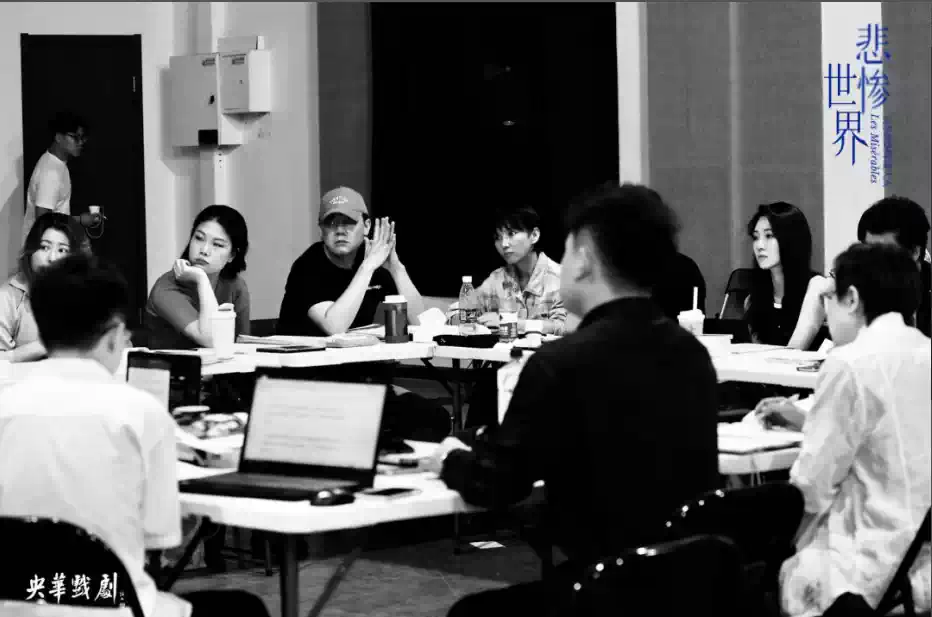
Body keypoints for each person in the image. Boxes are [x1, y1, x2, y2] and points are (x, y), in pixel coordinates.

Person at [427, 182, 721, 616]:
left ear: (583, 259)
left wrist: (449, 457)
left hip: (605, 590)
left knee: (470, 613)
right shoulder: (692, 354)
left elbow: (498, 484)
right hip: (687, 585)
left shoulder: (559, 364)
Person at [0, 253, 270, 617]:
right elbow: (163, 539)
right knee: (244, 608)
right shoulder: (139, 412)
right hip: (117, 608)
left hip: (17, 608)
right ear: (114, 334)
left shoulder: (5, 406)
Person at [755, 243, 931, 617]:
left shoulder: (849, 363)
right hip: (921, 560)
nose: (826, 310)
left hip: (867, 568)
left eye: (829, 298)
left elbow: (812, 486)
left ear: (851, 299)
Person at [277, 186, 425, 336]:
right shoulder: (307, 266)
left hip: (355, 349)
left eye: (348, 222)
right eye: (331, 223)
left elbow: (421, 323)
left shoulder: (373, 256)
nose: (340, 230)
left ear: (366, 226)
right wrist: (367, 267)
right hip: (303, 350)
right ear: (321, 230)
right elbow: (334, 327)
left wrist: (396, 268)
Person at [144, 205, 250, 349]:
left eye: (218, 245)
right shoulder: (166, 288)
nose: (204, 250)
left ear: (232, 255)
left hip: (223, 364)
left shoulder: (236, 286)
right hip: (169, 364)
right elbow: (213, 341)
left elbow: (243, 345)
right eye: (199, 238)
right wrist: (201, 279)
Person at [0, 212, 89, 363]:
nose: (52, 258)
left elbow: (119, 349)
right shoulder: (9, 296)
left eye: (62, 250)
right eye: (44, 247)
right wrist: (42, 346)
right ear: (30, 251)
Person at [467, 206, 567, 335]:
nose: (504, 244)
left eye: (511, 234)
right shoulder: (497, 279)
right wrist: (468, 320)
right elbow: (462, 309)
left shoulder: (560, 277)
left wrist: (510, 322)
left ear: (534, 235)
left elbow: (565, 327)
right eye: (498, 237)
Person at [743, 202, 826, 349]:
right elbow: (758, 353)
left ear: (791, 239)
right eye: (756, 237)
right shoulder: (752, 300)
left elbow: (793, 353)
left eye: (769, 236)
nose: (759, 245)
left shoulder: (816, 287)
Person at [21, 111, 102, 244]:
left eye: (82, 137)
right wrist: (80, 220)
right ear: (58, 137)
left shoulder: (57, 165)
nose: (80, 142)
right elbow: (43, 219)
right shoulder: (50, 172)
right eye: (75, 137)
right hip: (43, 249)